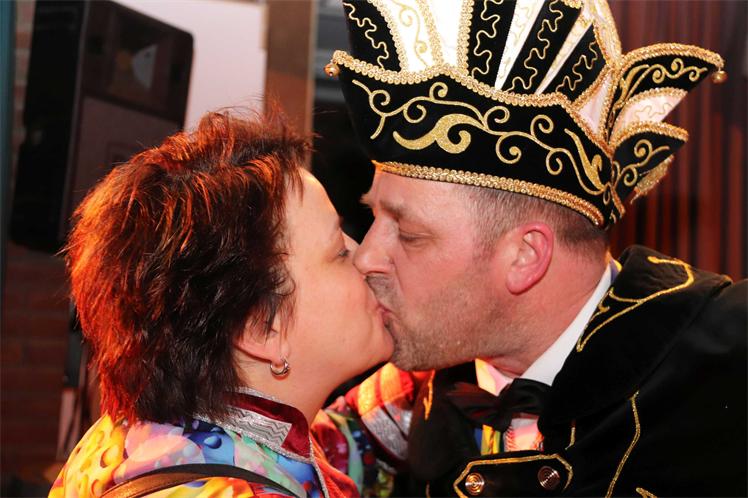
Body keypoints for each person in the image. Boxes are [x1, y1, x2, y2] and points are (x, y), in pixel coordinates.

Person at [314, 0, 747, 496]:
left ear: (525, 256)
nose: (366, 257)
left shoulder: (730, 361)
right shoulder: (411, 389)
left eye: (409, 233)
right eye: (373, 216)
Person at [49, 110, 393, 498]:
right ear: (262, 327)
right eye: (339, 251)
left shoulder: (136, 440)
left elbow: (331, 449)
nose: (366, 256)